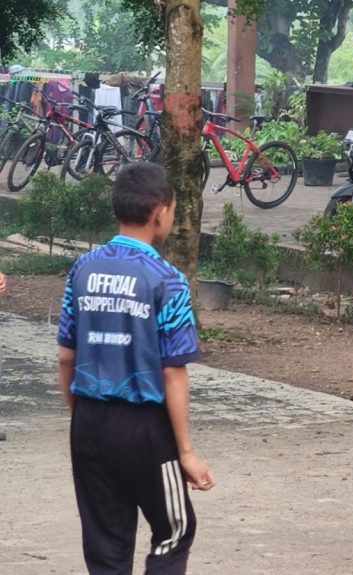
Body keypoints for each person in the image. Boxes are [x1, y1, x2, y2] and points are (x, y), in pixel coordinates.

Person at [57, 162, 215, 573]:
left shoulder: (82, 269)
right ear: (161, 211)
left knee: (106, 544)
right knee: (175, 530)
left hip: (88, 421)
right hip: (144, 428)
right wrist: (186, 451)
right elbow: (172, 371)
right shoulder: (167, 280)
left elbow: (66, 357)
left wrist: (83, 418)